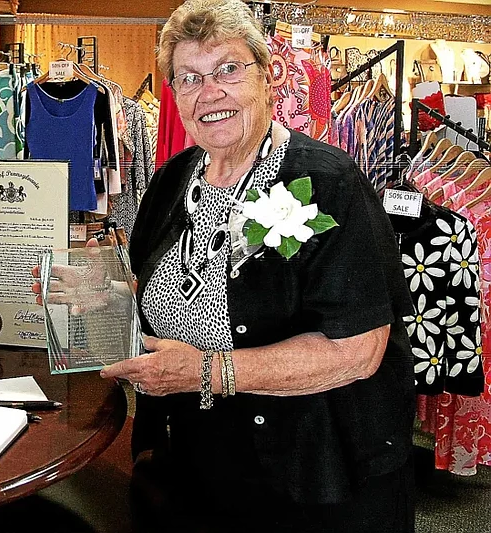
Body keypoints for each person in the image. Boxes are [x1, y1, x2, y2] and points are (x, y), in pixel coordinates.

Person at [35, 0, 415, 531]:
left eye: (228, 69)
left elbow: (358, 351)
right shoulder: (172, 179)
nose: (209, 92)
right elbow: (155, 283)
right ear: (174, 96)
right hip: (193, 453)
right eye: (188, 77)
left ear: (266, 78)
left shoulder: (330, 185)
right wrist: (99, 289)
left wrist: (208, 371)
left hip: (310, 467)